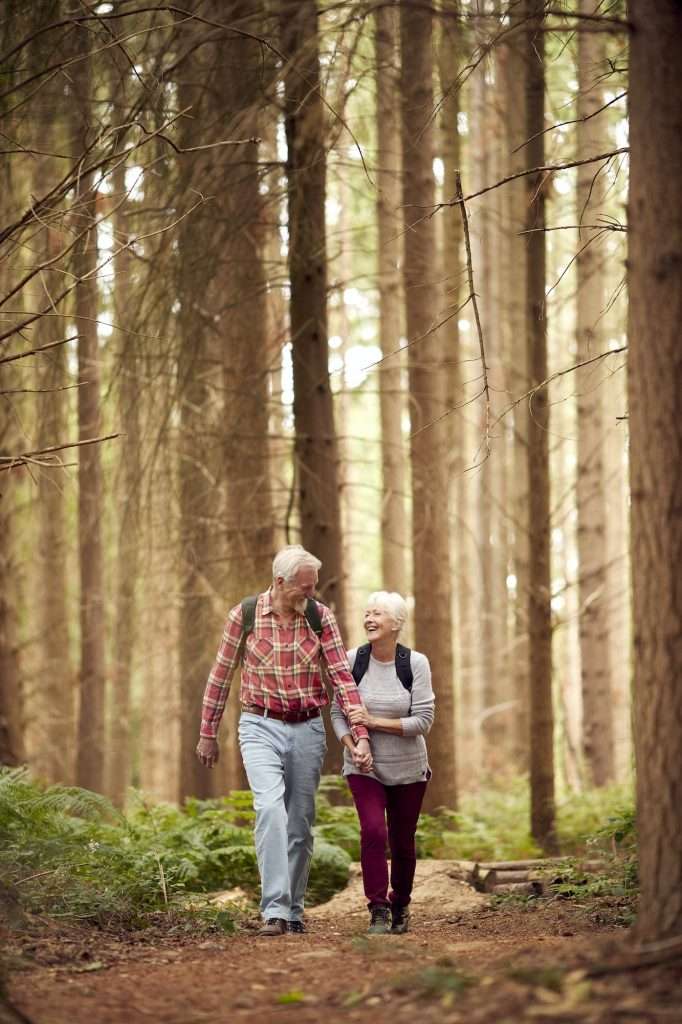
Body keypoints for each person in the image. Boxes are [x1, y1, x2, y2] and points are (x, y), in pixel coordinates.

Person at [195, 545, 372, 936]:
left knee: (300, 824)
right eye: (303, 588)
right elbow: (221, 675)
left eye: (313, 588)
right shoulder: (244, 616)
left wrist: (360, 735)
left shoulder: (319, 617)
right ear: (279, 582)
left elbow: (342, 677)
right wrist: (208, 731)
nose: (310, 594)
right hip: (259, 725)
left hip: (308, 726)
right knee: (270, 810)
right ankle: (274, 908)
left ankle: (293, 909)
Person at [330, 591, 434, 935]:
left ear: (397, 624)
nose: (369, 619)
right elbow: (337, 711)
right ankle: (378, 909)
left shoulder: (414, 664)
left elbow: (423, 721)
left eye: (377, 614)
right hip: (364, 766)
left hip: (408, 768)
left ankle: (400, 902)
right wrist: (351, 744)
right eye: (367, 613)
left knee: (403, 840)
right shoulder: (352, 660)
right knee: (373, 831)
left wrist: (373, 722)